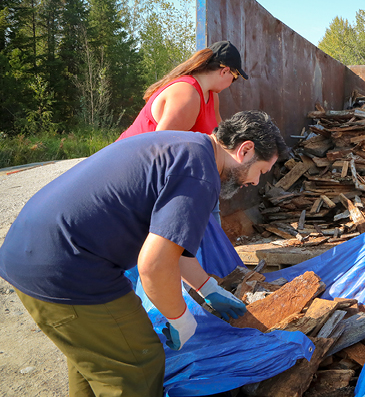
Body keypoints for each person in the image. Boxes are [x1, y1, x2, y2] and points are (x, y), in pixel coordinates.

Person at [0, 110, 286, 397]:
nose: (255, 182)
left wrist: (206, 286)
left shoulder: (188, 147)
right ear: (244, 149)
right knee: (139, 363)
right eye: (260, 170)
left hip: (31, 249)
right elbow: (153, 265)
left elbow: (171, 244)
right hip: (66, 266)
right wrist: (180, 318)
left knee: (99, 359)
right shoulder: (200, 175)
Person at [118, 40, 249, 140]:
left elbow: (218, 137)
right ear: (225, 71)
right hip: (126, 165)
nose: (232, 83)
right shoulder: (187, 94)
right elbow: (160, 148)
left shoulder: (211, 95)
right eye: (235, 78)